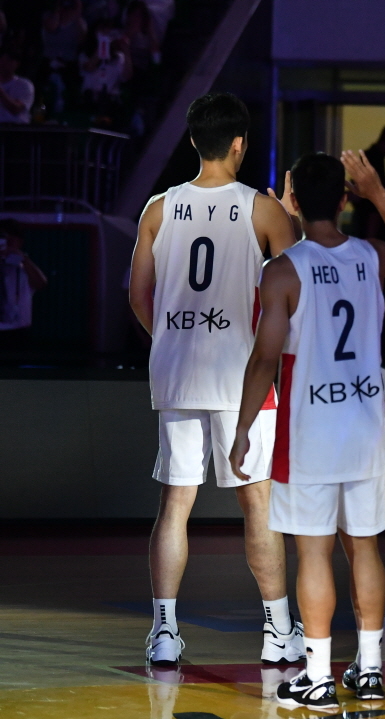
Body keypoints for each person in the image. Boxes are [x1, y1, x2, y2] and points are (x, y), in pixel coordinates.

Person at [230, 150, 385, 708]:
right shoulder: (369, 254)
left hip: (308, 428)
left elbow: (265, 359)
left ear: (291, 201)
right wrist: (379, 194)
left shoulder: (283, 270)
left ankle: (316, 675)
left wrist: (244, 428)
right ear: (345, 198)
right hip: (364, 424)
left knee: (314, 553)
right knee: (365, 548)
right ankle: (369, 669)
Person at [128, 93, 300, 665]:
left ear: (193, 141)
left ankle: (164, 634)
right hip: (243, 374)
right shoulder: (262, 210)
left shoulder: (159, 207)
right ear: (238, 144)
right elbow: (299, 287)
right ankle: (277, 633)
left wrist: (171, 341)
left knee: (175, 503)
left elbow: (138, 294)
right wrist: (294, 221)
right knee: (258, 503)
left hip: (177, 371)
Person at [0, 220, 48, 350]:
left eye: (11, 240)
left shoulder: (22, 266)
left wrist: (22, 259)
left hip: (17, 330)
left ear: (20, 242)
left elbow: (41, 284)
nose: (6, 244)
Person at [0, 46, 33, 124]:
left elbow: (16, 109)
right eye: (1, 60)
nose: (3, 64)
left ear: (17, 63)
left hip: (15, 127)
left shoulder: (24, 85)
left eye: (8, 61)